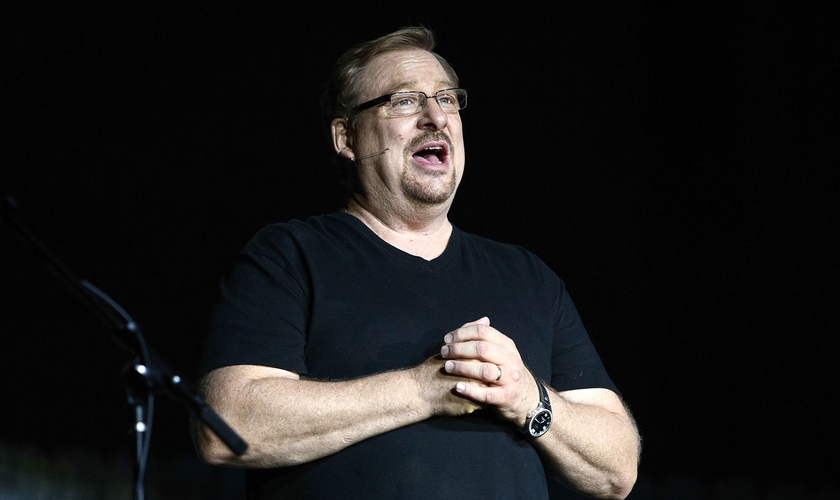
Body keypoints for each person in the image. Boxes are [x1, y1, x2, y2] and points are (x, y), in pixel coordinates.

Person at [193, 26, 641, 499]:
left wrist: (526, 397)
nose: (435, 117)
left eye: (447, 99)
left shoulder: (529, 276)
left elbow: (618, 468)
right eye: (405, 101)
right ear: (346, 136)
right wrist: (421, 390)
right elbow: (225, 425)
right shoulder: (290, 255)